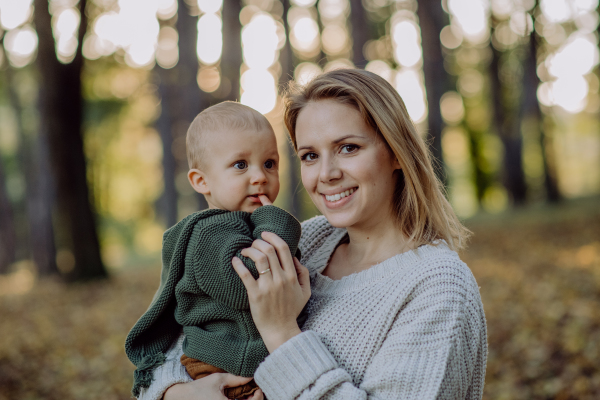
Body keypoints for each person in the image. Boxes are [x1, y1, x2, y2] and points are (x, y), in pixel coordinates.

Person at [138, 69, 487, 400]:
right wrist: (177, 393)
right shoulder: (306, 241)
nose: (327, 174)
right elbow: (176, 341)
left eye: (348, 147)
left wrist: (282, 333)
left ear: (397, 152)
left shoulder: (437, 286)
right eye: (309, 156)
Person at [125, 101, 306, 400]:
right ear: (201, 181)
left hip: (249, 357)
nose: (260, 176)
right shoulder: (208, 234)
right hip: (220, 365)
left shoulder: (247, 227)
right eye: (240, 165)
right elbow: (245, 285)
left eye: (269, 163)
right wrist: (275, 222)